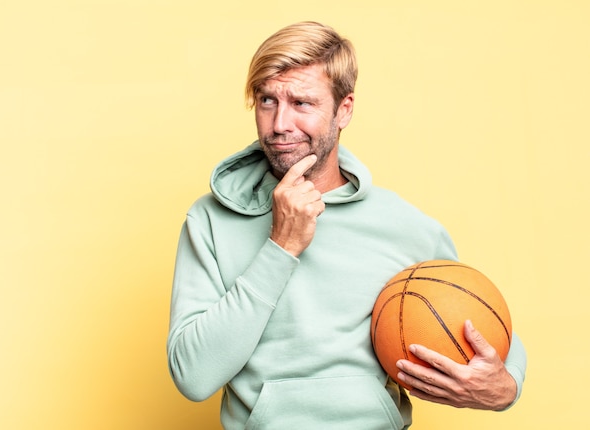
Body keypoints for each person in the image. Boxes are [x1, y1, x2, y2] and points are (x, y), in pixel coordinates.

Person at [167, 21, 526, 429]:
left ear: (344, 110)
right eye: (268, 101)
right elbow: (194, 377)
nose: (280, 123)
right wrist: (280, 247)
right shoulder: (211, 220)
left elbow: (486, 324)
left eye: (302, 103)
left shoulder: (402, 224)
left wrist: (507, 385)